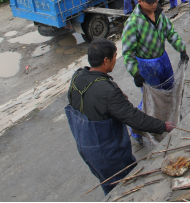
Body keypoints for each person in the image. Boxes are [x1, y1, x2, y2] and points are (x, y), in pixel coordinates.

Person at [65, 38, 175, 195]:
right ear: (106, 60)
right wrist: (163, 126)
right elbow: (134, 118)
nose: (116, 60)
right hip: (108, 153)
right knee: (126, 186)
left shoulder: (78, 77)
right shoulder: (108, 92)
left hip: (85, 148)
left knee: (108, 185)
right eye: (115, 56)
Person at [122, 0, 189, 145]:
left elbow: (170, 33)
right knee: (151, 97)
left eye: (156, 0)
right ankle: (137, 129)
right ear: (140, 2)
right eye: (150, 2)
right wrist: (136, 73)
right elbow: (127, 52)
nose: (154, 4)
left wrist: (181, 49)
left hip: (163, 60)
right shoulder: (133, 23)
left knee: (169, 89)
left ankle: (167, 118)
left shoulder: (159, 14)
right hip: (146, 66)